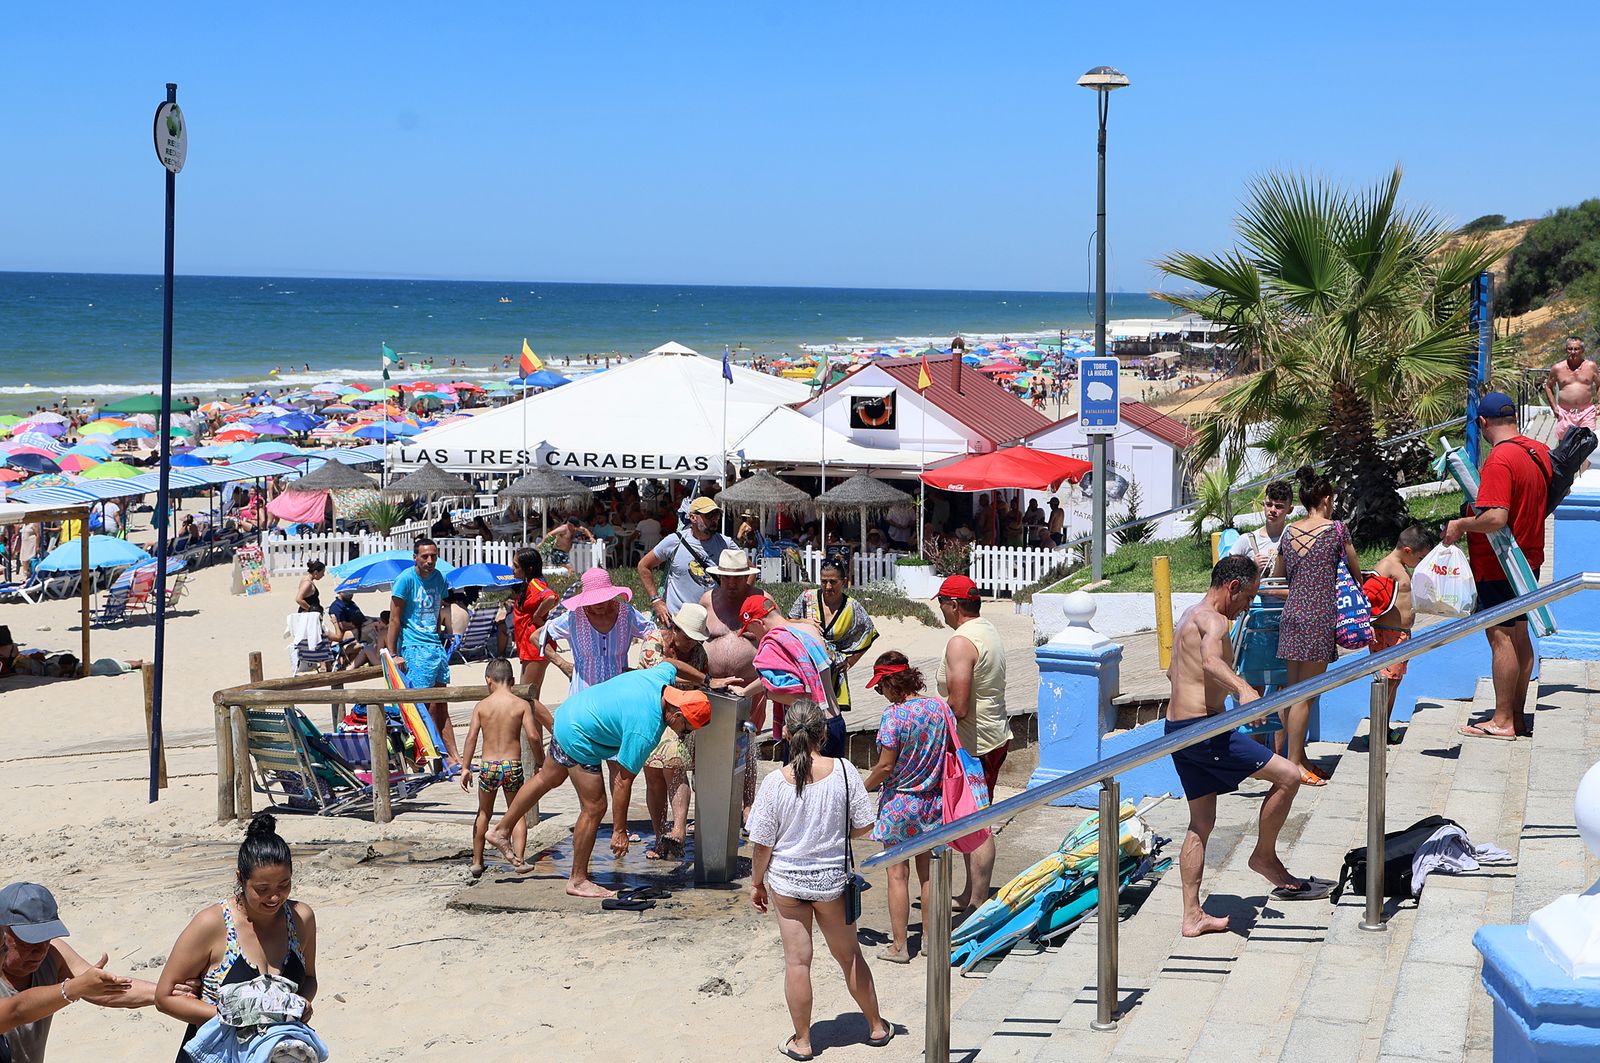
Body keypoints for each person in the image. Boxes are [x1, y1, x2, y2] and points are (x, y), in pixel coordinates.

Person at [1167, 556, 1320, 938]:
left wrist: (1224, 697)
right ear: (1232, 587)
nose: (1248, 605)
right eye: (1248, 596)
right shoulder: (1215, 621)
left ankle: (1192, 916)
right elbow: (1209, 662)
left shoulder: (1189, 614)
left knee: (1201, 822)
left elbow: (1175, 671)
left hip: (1177, 729)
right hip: (1204, 731)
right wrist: (1243, 690)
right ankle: (1264, 856)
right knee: (1288, 775)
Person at [483, 665, 712, 898]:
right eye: (685, 729)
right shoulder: (646, 728)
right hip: (580, 736)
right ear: (676, 715)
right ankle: (578, 880)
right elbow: (623, 781)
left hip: (570, 713)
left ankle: (501, 829)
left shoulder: (660, 679)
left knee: (548, 777)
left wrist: (710, 680)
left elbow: (670, 663)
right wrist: (619, 830)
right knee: (595, 807)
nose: (682, 735)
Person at [746, 700, 893, 1059]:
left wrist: (756, 883)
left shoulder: (773, 783)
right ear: (822, 733)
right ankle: (875, 1025)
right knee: (850, 957)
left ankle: (804, 1041)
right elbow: (863, 826)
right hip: (831, 882)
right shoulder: (844, 771)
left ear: (784, 733)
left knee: (798, 963)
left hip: (788, 883)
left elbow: (762, 845)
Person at [156, 814, 320, 1062]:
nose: (274, 898)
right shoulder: (212, 924)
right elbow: (164, 997)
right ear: (240, 879)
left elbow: (309, 978)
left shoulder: (301, 918)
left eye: (283, 885)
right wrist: (236, 1016)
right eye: (262, 889)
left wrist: (300, 1004)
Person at [1444, 391, 1552, 740]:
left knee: (1501, 637)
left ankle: (1503, 719)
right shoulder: (1537, 452)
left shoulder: (1500, 460)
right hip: (1528, 559)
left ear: (1483, 423)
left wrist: (1461, 525)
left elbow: (1495, 517)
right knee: (1520, 636)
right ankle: (1516, 715)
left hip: (1500, 564)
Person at [2, 882, 177, 1062]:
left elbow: (106, 990)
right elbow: (17, 1010)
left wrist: (168, 992)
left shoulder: (54, 955)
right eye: (29, 940)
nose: (40, 951)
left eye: (46, 938)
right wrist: (73, 988)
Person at [1271, 467, 1362, 785]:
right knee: (1306, 696)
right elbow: (1355, 570)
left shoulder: (1289, 532)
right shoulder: (1337, 530)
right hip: (1319, 617)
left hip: (1292, 615)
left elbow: (1281, 573)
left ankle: (1298, 756)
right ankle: (1294, 764)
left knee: (1294, 692)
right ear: (1326, 499)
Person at [861, 652, 954, 965]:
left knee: (897, 875)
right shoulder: (939, 708)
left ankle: (900, 947)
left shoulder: (894, 715)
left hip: (899, 802)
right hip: (933, 801)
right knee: (928, 875)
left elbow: (886, 766)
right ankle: (929, 940)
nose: (881, 693)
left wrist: (861, 789)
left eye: (880, 686)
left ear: (891, 682)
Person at [933, 574, 1005, 915]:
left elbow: (959, 706)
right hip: (991, 736)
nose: (941, 610)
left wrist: (928, 716)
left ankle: (978, 900)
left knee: (977, 823)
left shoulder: (960, 642)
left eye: (941, 603)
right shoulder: (986, 629)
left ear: (954, 604)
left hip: (973, 744)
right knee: (971, 818)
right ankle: (969, 892)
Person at [639, 603, 711, 860]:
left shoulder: (699, 652)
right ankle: (661, 838)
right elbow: (657, 681)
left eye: (696, 638)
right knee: (654, 780)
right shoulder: (653, 643)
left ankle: (678, 829)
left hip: (682, 720)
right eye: (688, 637)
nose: (692, 643)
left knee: (675, 765)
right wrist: (693, 680)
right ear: (675, 628)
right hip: (653, 715)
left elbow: (700, 686)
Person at [732, 594, 843, 756]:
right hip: (835, 722)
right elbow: (777, 678)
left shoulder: (774, 643)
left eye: (751, 630)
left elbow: (798, 695)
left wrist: (769, 694)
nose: (755, 637)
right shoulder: (808, 630)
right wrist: (744, 691)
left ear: (758, 623)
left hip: (809, 729)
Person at [460, 659, 542, 878]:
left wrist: (465, 767)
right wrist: (540, 761)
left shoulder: (482, 706)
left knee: (484, 813)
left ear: (488, 680)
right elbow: (534, 736)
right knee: (516, 813)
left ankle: (477, 861)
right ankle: (519, 860)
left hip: (488, 766)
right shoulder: (520, 704)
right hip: (511, 765)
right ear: (513, 681)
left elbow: (470, 738)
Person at [386, 537, 461, 766]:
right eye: (425, 556)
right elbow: (395, 619)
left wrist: (441, 634)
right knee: (422, 706)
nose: (430, 561)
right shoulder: (406, 579)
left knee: (441, 702)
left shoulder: (440, 578)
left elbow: (438, 610)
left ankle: (451, 755)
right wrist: (393, 653)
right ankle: (421, 754)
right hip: (415, 648)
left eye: (434, 556)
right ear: (415, 557)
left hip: (435, 647)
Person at [787, 557, 879, 713]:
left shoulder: (852, 606)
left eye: (833, 582)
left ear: (843, 581)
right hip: (805, 668)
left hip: (833, 674)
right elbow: (787, 622)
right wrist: (804, 622)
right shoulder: (807, 598)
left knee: (830, 719)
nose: (828, 586)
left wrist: (850, 661)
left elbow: (868, 632)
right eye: (824, 581)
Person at [544, 568, 657, 694]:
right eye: (593, 599)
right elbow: (538, 637)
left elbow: (654, 635)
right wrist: (562, 664)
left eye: (602, 597)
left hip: (619, 694)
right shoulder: (574, 617)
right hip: (584, 695)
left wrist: (643, 667)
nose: (598, 602)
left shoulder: (627, 614)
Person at [1365, 525, 1435, 721]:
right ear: (1407, 550)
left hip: (1400, 635)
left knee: (1394, 682)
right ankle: (1377, 729)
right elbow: (1370, 595)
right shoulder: (1387, 566)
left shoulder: (1402, 566)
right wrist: (1368, 622)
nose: (1420, 562)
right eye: (1420, 558)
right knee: (1385, 683)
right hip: (1387, 634)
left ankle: (1384, 726)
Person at [638, 495, 733, 621]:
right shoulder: (675, 541)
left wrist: (737, 599)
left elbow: (749, 570)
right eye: (709, 516)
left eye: (716, 515)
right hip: (678, 622)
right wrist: (656, 601)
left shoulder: (725, 543)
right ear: (693, 517)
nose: (714, 520)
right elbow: (643, 566)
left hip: (712, 620)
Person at [508, 547, 559, 712]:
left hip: (534, 644)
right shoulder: (530, 583)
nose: (512, 568)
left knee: (527, 697)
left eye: (516, 566)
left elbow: (551, 597)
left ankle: (555, 731)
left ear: (528, 569)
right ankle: (535, 737)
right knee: (530, 697)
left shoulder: (535, 583)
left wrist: (537, 616)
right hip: (530, 644)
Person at [1228, 479, 1293, 575]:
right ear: (1263, 505)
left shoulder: (1294, 538)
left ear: (1290, 509)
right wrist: (1252, 567)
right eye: (1269, 505)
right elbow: (1226, 572)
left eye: (1279, 506)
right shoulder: (1247, 540)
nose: (1272, 510)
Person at [1543, 336, 1597, 441]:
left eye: (1576, 349)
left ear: (1582, 350)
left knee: (1587, 444)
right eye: (1570, 349)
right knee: (1564, 446)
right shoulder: (1558, 368)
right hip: (1565, 412)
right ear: (1566, 350)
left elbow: (1599, 384)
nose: (1573, 352)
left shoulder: (1591, 366)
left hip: (1586, 412)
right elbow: (1548, 386)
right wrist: (1554, 407)